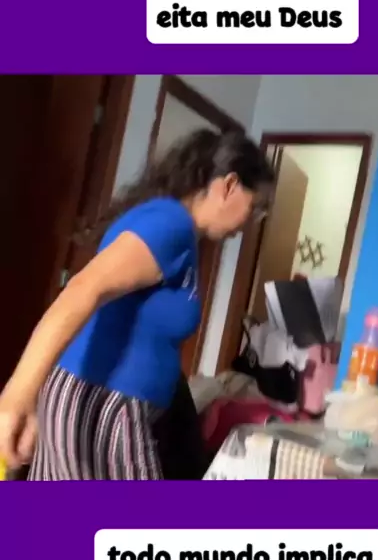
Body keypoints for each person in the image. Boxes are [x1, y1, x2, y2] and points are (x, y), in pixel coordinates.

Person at [0, 129, 274, 480]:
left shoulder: (180, 233)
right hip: (105, 407)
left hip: (109, 404)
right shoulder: (170, 225)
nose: (250, 223)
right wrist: (18, 395)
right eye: (255, 207)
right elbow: (83, 290)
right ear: (230, 185)